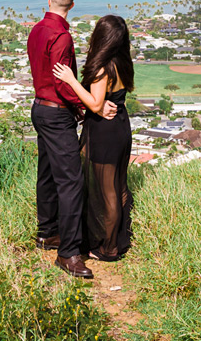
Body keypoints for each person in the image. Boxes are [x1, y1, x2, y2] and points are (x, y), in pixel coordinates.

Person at [28, 0, 116, 279]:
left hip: (39, 108)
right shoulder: (62, 37)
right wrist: (87, 108)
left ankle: (48, 233)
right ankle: (68, 253)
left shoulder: (37, 30)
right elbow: (63, 83)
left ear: (49, 0)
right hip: (56, 112)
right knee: (72, 182)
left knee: (48, 173)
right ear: (72, 6)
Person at [53, 13, 135, 262]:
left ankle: (108, 248)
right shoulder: (123, 62)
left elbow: (95, 103)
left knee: (107, 189)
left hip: (104, 131)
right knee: (118, 186)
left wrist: (70, 80)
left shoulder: (102, 67)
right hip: (121, 125)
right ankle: (119, 239)